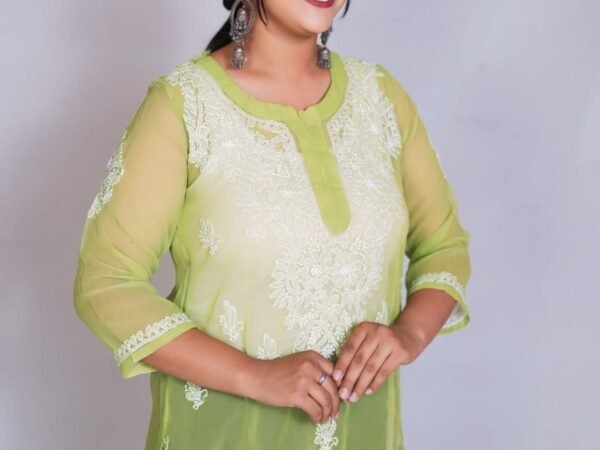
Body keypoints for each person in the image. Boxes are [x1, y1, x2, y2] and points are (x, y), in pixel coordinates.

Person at [72, 0, 472, 448]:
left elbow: (444, 246)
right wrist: (255, 376)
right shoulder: (185, 107)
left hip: (364, 432)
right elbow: (107, 282)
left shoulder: (380, 98)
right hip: (226, 434)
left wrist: (408, 334)